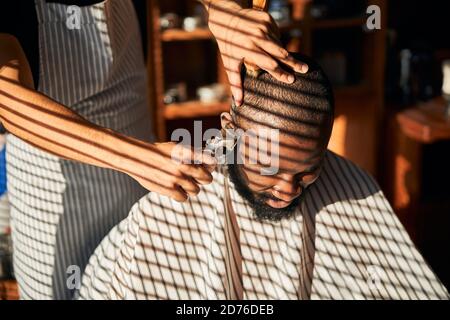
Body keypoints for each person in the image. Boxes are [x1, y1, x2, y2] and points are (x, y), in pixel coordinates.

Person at [0, 0, 307, 299]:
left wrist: (222, 9)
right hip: (55, 179)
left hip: (142, 158)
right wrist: (134, 158)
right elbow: (9, 101)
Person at [79, 54, 450, 299]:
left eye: (308, 171)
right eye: (268, 167)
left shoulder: (351, 187)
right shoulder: (164, 213)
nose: (288, 190)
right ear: (229, 132)